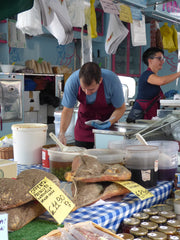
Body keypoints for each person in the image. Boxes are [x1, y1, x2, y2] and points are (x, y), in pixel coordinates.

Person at [58, 62, 126, 149]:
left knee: (106, 159)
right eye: (83, 88)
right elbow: (67, 110)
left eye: (91, 89)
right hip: (84, 127)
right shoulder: (72, 82)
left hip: (107, 128)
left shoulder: (112, 80)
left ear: (100, 80)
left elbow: (121, 108)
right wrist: (62, 133)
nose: (87, 93)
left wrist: (109, 122)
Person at [127, 47, 180, 123]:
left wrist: (166, 95)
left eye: (163, 59)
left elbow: (152, 96)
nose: (162, 61)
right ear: (150, 60)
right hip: (140, 116)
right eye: (159, 58)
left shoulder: (153, 76)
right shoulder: (146, 75)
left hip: (150, 115)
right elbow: (162, 81)